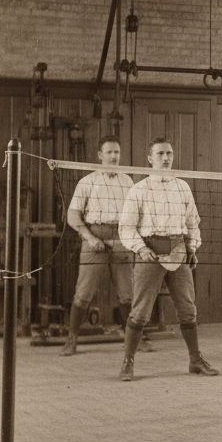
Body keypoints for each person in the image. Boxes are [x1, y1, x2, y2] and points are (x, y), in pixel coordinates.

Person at [117, 136, 218, 381]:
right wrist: (141, 249)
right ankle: (128, 363)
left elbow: (193, 224)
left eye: (169, 154)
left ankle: (195, 360)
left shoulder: (182, 187)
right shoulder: (138, 189)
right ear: (150, 159)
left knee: (187, 308)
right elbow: (126, 228)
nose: (165, 158)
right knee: (140, 311)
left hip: (178, 249)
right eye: (160, 154)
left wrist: (192, 247)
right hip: (149, 251)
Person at [61, 134, 134, 356]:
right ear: (100, 155)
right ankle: (71, 340)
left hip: (121, 242)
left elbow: (134, 215)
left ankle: (134, 339)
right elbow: (72, 216)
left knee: (128, 294)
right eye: (109, 152)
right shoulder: (87, 182)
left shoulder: (128, 182)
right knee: (83, 293)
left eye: (117, 152)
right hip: (94, 241)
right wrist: (90, 238)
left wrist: (130, 240)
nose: (114, 156)